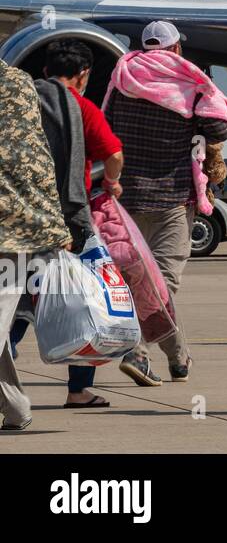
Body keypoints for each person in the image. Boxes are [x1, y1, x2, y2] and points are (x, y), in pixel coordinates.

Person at [103, 20, 227, 386]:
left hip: (126, 199)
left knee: (140, 283)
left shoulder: (123, 76)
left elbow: (108, 124)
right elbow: (220, 130)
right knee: (163, 283)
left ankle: (179, 356)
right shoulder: (187, 83)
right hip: (172, 200)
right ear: (176, 49)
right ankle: (137, 352)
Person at [9, 39, 123, 408]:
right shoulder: (82, 107)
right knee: (81, 301)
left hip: (16, 218)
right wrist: (111, 182)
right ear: (84, 73)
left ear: (43, 72)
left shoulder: (21, 103)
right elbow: (113, 154)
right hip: (67, 222)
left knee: (15, 305)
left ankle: (4, 387)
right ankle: (78, 389)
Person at [0, 59, 73, 432]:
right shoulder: (20, 82)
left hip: (11, 232)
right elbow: (38, 155)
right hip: (24, 225)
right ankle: (15, 408)